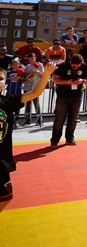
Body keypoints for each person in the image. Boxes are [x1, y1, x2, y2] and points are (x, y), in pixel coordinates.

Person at [0, 62, 57, 200]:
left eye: (0, 78)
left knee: (5, 197)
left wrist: (46, 75)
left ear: (4, 83)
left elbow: (35, 93)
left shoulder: (8, 101)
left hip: (1, 161)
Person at [49, 53, 87, 147]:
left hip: (76, 96)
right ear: (71, 62)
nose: (75, 67)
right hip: (63, 96)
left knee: (73, 118)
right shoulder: (63, 66)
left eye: (77, 66)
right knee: (59, 119)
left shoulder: (84, 67)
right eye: (73, 65)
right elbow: (55, 79)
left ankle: (69, 138)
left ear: (81, 63)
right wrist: (66, 82)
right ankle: (54, 140)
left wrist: (82, 81)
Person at [22, 51, 44, 125]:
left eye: (32, 58)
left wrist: (38, 72)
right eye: (30, 58)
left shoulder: (40, 65)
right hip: (28, 86)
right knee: (28, 104)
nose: (31, 60)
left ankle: (39, 119)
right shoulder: (27, 67)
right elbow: (25, 77)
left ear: (35, 58)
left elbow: (43, 76)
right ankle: (28, 119)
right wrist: (30, 74)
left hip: (36, 87)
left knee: (36, 103)